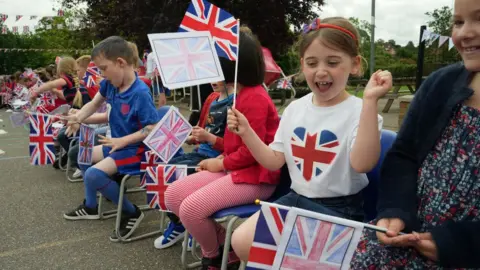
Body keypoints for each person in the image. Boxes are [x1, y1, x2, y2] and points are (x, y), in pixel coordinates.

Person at [229, 17, 391, 261]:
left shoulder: (363, 112)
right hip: (296, 199)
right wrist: (247, 133)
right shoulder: (294, 109)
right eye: (312, 63)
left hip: (339, 210)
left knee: (299, 259)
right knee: (241, 242)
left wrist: (370, 101)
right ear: (303, 66)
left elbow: (362, 164)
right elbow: (273, 161)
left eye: (333, 62)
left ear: (355, 64)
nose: (321, 70)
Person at [350, 0, 480, 268]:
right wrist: (396, 211)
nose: (465, 33)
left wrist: (457, 243)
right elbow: (403, 155)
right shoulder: (440, 84)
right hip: (409, 234)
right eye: (458, 22)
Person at [164, 28, 281, 270]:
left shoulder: (254, 97)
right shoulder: (238, 96)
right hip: (236, 168)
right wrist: (216, 149)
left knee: (191, 208)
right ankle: (223, 248)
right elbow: (233, 144)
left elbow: (251, 152)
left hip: (257, 177)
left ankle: (214, 257)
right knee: (173, 195)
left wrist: (221, 163)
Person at [62, 36, 161, 241]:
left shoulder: (140, 92)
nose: (100, 74)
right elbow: (94, 104)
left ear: (121, 63)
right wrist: (78, 118)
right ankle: (91, 206)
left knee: (92, 175)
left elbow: (152, 128)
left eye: (103, 68)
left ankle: (131, 211)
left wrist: (123, 141)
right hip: (118, 146)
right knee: (82, 153)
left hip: (137, 150)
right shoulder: (110, 84)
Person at [154, 81, 234, 250]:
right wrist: (194, 137)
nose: (213, 81)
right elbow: (204, 128)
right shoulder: (212, 98)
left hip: (217, 160)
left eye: (219, 76)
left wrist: (209, 138)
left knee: (173, 177)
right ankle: (180, 224)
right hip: (200, 152)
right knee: (160, 172)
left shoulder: (237, 102)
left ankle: (196, 227)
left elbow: (235, 146)